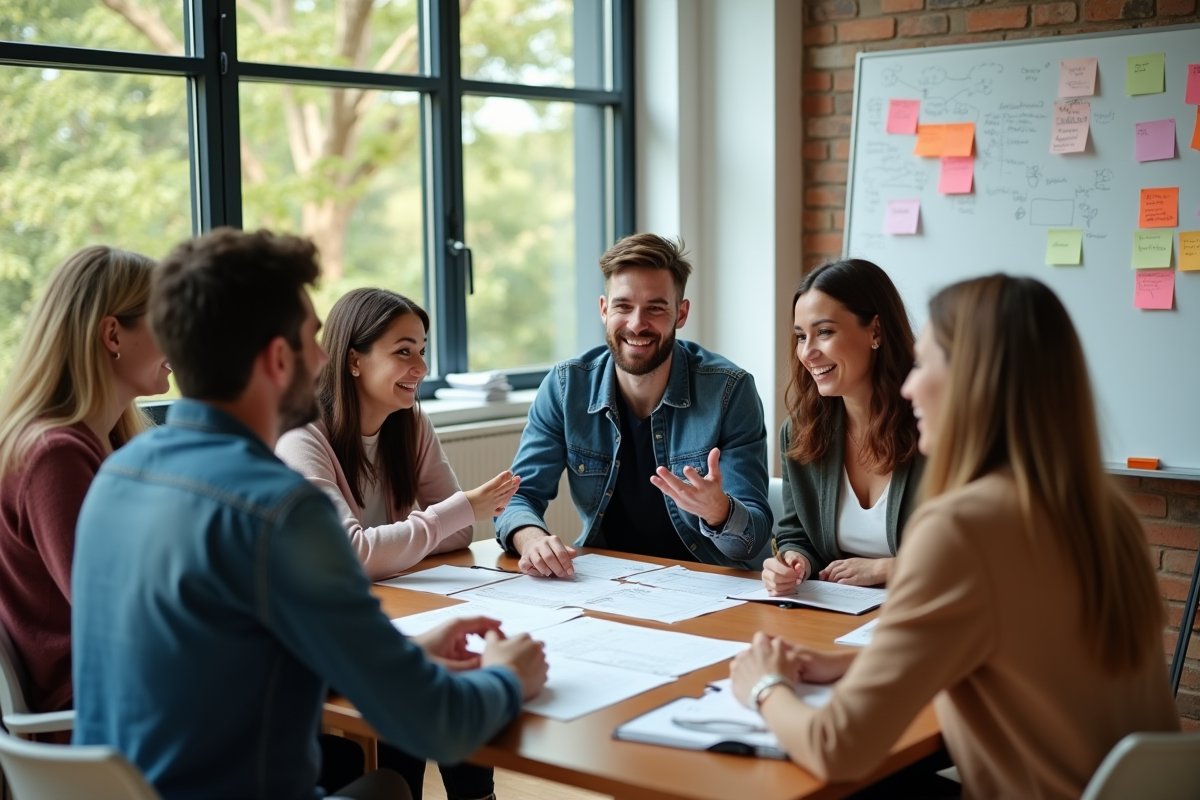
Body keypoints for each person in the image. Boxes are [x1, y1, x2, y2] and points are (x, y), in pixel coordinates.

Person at [72, 228, 548, 800]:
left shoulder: (117, 473)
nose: (323, 358)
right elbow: (436, 723)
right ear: (278, 359)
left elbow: (224, 660)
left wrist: (406, 655)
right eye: (312, 339)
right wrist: (507, 677)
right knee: (389, 788)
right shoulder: (281, 510)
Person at [730, 275, 1179, 799]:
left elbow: (838, 747)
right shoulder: (1100, 511)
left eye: (926, 364)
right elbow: (1007, 650)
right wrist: (852, 663)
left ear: (977, 380)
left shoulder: (962, 528)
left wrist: (764, 684)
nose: (908, 385)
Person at [277, 287, 517, 800]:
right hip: (331, 631)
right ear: (354, 361)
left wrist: (413, 536)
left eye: (423, 349)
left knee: (461, 669)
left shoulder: (409, 423)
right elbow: (353, 555)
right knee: (418, 690)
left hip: (399, 607)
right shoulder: (301, 436)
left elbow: (457, 532)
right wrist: (446, 517)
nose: (421, 365)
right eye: (403, 351)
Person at [495, 233, 771, 577]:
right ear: (603, 309)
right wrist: (531, 538)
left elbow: (752, 541)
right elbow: (516, 497)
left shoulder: (730, 390)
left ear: (681, 314)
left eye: (655, 308)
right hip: (605, 580)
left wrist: (719, 512)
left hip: (705, 581)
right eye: (623, 306)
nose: (637, 324)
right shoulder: (567, 387)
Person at [0, 246, 170, 719]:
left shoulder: (102, 444)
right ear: (113, 334)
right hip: (108, 723)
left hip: (134, 701)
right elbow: (121, 616)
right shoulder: (55, 456)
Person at [760, 259, 924, 592]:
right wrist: (795, 562)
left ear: (875, 331)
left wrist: (889, 568)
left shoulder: (935, 424)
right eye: (801, 336)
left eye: (824, 332)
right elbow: (797, 533)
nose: (808, 352)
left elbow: (981, 542)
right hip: (842, 615)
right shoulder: (801, 432)